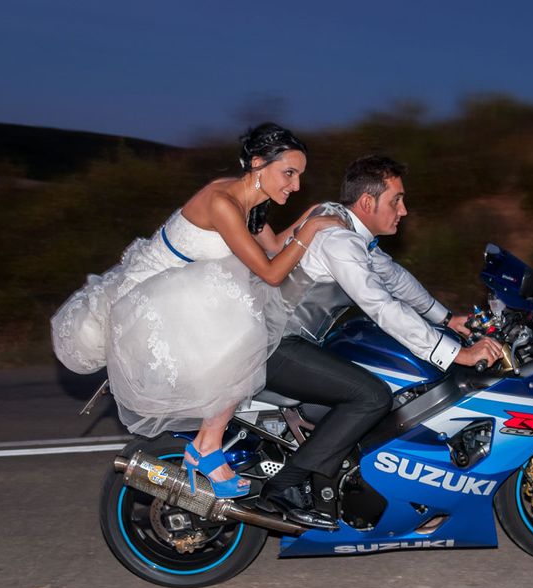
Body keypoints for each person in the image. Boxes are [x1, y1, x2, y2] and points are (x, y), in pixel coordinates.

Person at [51, 123, 344, 498]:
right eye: (289, 173)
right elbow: (271, 272)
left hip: (185, 289)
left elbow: (273, 244)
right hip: (149, 301)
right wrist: (311, 229)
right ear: (258, 163)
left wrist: (312, 217)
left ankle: (215, 440)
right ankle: (206, 447)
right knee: (246, 329)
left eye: (300, 176)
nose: (296, 185)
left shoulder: (249, 201)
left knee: (249, 316)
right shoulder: (222, 203)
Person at [257, 155, 503, 527]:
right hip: (275, 345)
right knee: (371, 396)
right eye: (396, 200)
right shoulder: (338, 240)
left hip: (292, 341)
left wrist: (447, 319)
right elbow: (379, 304)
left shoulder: (349, 229)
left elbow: (395, 279)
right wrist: (457, 354)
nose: (403, 210)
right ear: (367, 203)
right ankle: (285, 486)